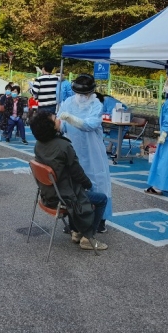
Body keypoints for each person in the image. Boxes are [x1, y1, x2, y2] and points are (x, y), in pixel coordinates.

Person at [32, 110, 109, 251]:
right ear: (50, 126)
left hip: (47, 194)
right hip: (63, 197)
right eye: (55, 119)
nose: (59, 119)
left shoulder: (38, 145)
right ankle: (88, 237)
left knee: (77, 190)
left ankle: (76, 231)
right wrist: (89, 184)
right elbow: (78, 173)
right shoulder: (64, 146)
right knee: (101, 199)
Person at [57, 74, 113, 234]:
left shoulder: (96, 104)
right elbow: (61, 123)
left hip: (93, 151)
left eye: (85, 94)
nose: (82, 97)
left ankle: (100, 220)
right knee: (75, 184)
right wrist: (60, 124)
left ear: (91, 92)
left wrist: (72, 119)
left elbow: (90, 124)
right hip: (73, 149)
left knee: (98, 182)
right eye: (79, 94)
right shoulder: (68, 102)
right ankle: (74, 221)